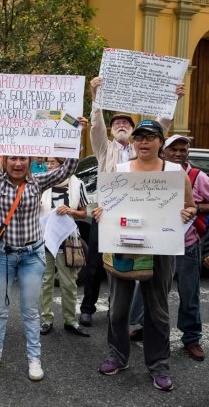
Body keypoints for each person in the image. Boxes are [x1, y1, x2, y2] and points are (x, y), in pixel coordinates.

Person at [0, 113, 79, 382]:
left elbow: (68, 168)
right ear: (5, 161)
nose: (17, 162)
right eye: (13, 158)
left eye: (23, 158)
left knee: (30, 310)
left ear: (29, 162)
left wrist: (74, 133)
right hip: (2, 255)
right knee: (0, 308)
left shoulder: (38, 182)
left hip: (31, 256)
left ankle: (34, 358)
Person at [92, 120, 196, 392]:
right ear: (134, 142)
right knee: (118, 309)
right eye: (140, 137)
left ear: (161, 142)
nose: (144, 142)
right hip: (124, 246)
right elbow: (106, 205)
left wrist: (188, 213)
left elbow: (191, 206)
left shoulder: (175, 171)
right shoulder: (121, 169)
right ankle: (117, 356)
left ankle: (159, 366)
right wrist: (101, 213)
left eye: (151, 137)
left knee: (158, 311)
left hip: (161, 249)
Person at [80, 76, 185, 327]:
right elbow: (95, 127)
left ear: (135, 130)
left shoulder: (143, 147)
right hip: (107, 213)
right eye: (116, 121)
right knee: (96, 262)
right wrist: (96, 99)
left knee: (142, 262)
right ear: (112, 128)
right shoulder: (105, 149)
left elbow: (160, 126)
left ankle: (130, 313)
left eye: (126, 121)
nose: (121, 124)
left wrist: (172, 99)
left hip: (146, 212)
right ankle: (88, 307)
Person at [161, 134, 207, 361]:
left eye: (183, 149)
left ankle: (191, 338)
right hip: (159, 245)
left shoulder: (198, 176)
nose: (178, 153)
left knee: (189, 293)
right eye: (173, 149)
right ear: (164, 151)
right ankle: (142, 327)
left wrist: (195, 208)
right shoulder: (155, 173)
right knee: (149, 291)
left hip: (187, 244)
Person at [39, 157, 90, 338]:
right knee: (46, 281)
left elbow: (84, 213)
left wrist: (71, 211)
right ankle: (46, 320)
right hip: (44, 237)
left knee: (69, 281)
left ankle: (71, 320)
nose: (49, 166)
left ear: (63, 165)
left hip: (68, 238)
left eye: (53, 162)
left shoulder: (78, 184)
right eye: (48, 162)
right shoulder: (42, 182)